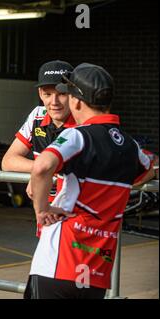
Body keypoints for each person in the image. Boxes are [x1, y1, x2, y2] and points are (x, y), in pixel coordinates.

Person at [25, 63, 154, 299]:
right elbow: (151, 166)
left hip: (57, 260)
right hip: (97, 269)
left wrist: (42, 209)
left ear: (76, 102)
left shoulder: (76, 135)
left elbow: (42, 166)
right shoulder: (129, 145)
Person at [1, 60, 74, 236]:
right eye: (48, 94)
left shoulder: (84, 121)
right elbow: (8, 161)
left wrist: (42, 172)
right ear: (40, 93)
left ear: (73, 93)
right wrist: (40, 171)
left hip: (76, 213)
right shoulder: (37, 115)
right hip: (44, 212)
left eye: (61, 94)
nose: (54, 102)